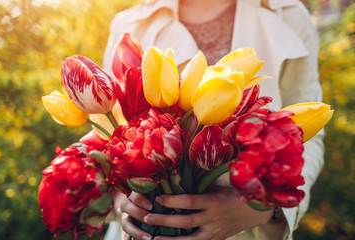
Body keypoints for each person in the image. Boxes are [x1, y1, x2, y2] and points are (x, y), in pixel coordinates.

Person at [102, 0, 325, 239]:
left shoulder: (288, 15)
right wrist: (122, 201)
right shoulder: (130, 23)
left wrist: (264, 208)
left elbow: (305, 138)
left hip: (245, 232)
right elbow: (108, 136)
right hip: (145, 229)